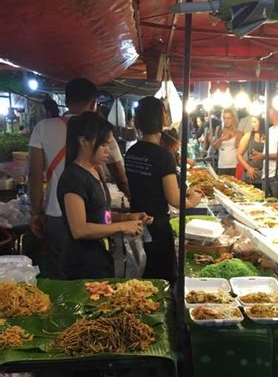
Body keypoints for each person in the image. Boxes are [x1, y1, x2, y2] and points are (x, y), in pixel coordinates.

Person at [28, 77, 130, 279]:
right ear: (94, 103)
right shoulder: (99, 134)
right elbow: (121, 177)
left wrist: (36, 212)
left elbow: (34, 174)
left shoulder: (43, 127)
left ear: (66, 102)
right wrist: (130, 204)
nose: (105, 148)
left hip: (55, 214)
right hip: (84, 222)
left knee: (60, 272)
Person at [57, 113, 149, 280]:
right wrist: (122, 226)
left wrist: (127, 217)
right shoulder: (73, 178)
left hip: (101, 258)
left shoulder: (95, 170)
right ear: (83, 141)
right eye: (104, 144)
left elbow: (99, 214)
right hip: (83, 265)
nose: (109, 150)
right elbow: (79, 229)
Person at [125, 97, 203, 283]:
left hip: (136, 222)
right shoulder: (163, 156)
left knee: (143, 280)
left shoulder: (131, 152)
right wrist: (192, 201)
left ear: (138, 121)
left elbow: (144, 184)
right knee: (161, 281)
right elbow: (174, 199)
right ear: (162, 119)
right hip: (157, 228)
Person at [252, 107, 278, 204]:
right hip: (267, 175)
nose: (264, 114)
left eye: (266, 110)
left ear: (272, 111)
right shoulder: (270, 130)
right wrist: (260, 156)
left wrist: (264, 156)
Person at [211, 108, 242, 176]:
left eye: (228, 118)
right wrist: (221, 139)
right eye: (224, 118)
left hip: (234, 165)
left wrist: (238, 143)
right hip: (222, 165)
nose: (226, 120)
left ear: (233, 119)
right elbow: (213, 148)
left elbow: (241, 151)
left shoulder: (239, 132)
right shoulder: (219, 130)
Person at [236, 115, 265, 186]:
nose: (252, 124)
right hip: (250, 176)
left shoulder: (270, 135)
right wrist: (248, 168)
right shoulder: (248, 136)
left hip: (265, 175)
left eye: (255, 122)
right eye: (252, 122)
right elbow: (238, 155)